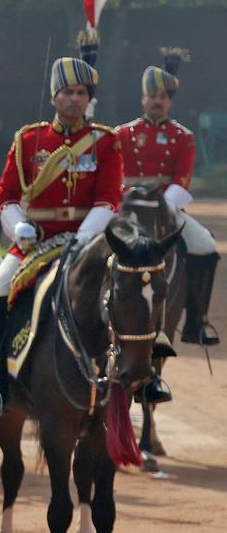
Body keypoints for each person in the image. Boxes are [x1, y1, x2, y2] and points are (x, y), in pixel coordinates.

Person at [0, 29, 124, 417]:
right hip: (35, 243)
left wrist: (86, 237)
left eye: (81, 93)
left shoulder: (106, 142)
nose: (74, 99)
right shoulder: (29, 140)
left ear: (89, 99)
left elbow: (109, 198)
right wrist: (18, 227)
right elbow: (5, 194)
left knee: (135, 285)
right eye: (67, 92)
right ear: (54, 96)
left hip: (88, 242)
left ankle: (141, 375)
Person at [114, 49, 218, 347]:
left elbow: (182, 179)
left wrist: (163, 209)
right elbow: (112, 176)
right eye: (153, 96)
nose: (157, 102)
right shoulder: (122, 134)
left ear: (170, 102)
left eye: (163, 97)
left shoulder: (183, 137)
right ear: (143, 99)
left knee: (206, 246)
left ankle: (196, 321)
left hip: (166, 207)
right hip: (126, 208)